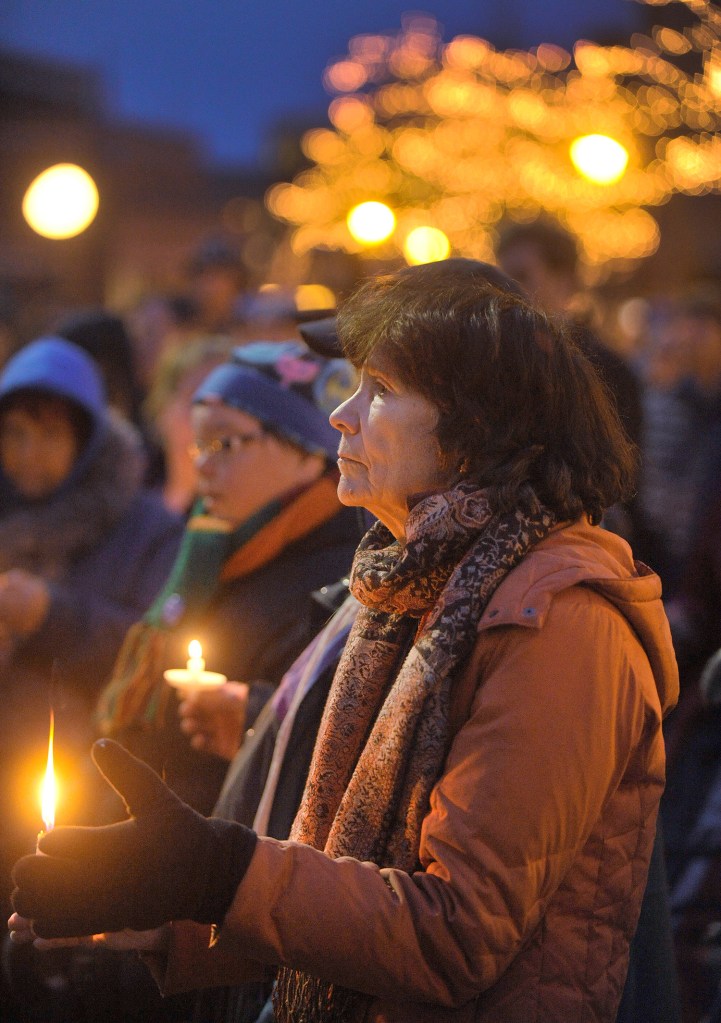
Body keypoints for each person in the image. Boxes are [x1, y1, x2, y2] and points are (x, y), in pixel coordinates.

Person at [10, 260, 679, 1023]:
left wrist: (215, 870)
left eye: (382, 390)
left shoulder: (558, 620)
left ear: (475, 428)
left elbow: (453, 935)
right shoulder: (411, 586)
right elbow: (346, 889)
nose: (342, 414)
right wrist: (156, 912)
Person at [95, 339, 362, 815]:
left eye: (225, 442)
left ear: (305, 450)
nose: (201, 463)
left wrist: (254, 714)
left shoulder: (343, 578)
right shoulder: (208, 549)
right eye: (200, 443)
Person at [0, 336, 182, 994]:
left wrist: (50, 613)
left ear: (87, 437)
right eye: (13, 434)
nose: (28, 456)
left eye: (48, 436)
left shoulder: (144, 526)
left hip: (89, 793)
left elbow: (150, 647)